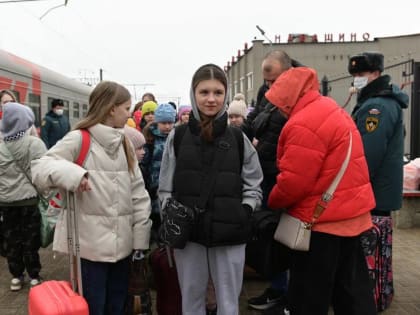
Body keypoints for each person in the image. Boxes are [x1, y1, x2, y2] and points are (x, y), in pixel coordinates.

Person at [31, 81, 152, 315]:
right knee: (94, 308)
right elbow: (40, 167)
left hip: (123, 248)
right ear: (110, 109)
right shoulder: (79, 139)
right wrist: (74, 174)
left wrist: (140, 240)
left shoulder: (125, 142)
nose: (130, 113)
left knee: (116, 307)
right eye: (126, 108)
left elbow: (138, 193)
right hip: (89, 251)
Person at [266, 66, 377, 315]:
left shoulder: (303, 122)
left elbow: (294, 182)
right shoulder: (331, 109)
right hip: (352, 217)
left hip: (320, 224)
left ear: (288, 98)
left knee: (309, 298)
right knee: (351, 294)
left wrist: (271, 201)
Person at [158, 63, 263, 315]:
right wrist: (169, 214)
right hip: (189, 234)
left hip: (230, 233)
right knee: (191, 298)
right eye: (204, 92)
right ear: (194, 93)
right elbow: (165, 185)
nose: (211, 99)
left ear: (225, 94)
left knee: (228, 301)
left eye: (217, 92)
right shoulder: (178, 136)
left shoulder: (238, 138)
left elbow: (254, 181)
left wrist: (245, 211)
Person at [348, 51, 409, 311]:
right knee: (377, 248)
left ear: (375, 74)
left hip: (373, 191)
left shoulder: (377, 107)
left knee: (370, 250)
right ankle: (376, 295)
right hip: (378, 190)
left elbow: (368, 153)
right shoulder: (376, 101)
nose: (357, 80)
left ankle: (369, 299)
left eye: (361, 75)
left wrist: (352, 185)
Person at [246, 50, 295, 313]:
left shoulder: (302, 97)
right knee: (272, 237)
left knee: (293, 240)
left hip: (289, 180)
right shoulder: (266, 95)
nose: (269, 87)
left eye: (274, 81)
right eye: (266, 82)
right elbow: (251, 124)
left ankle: (290, 293)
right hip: (267, 177)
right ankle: (278, 288)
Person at [0, 102, 46, 291]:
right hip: (28, 201)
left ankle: (16, 277)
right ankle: (34, 275)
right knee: (30, 238)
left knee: (11, 239)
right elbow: (43, 171)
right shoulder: (33, 143)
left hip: (5, 202)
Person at [141, 103, 176, 234]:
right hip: (153, 186)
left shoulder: (177, 137)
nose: (167, 126)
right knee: (155, 218)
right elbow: (144, 164)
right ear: (157, 122)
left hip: (171, 185)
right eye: (163, 123)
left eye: (170, 123)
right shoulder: (149, 139)